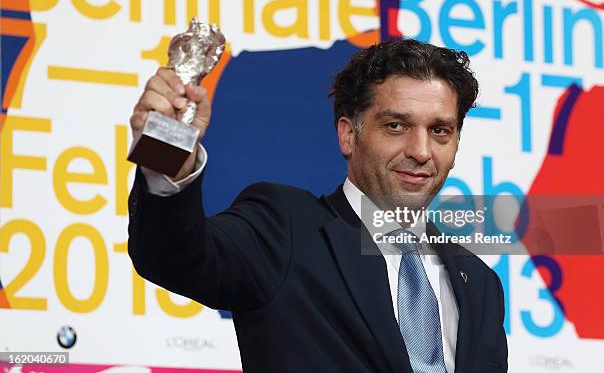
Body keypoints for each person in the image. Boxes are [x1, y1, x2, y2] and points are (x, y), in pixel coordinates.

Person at [128, 39, 508, 373]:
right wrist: (165, 152)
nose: (421, 151)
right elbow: (173, 256)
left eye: (439, 131)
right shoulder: (285, 229)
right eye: (396, 126)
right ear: (348, 134)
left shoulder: (480, 284)